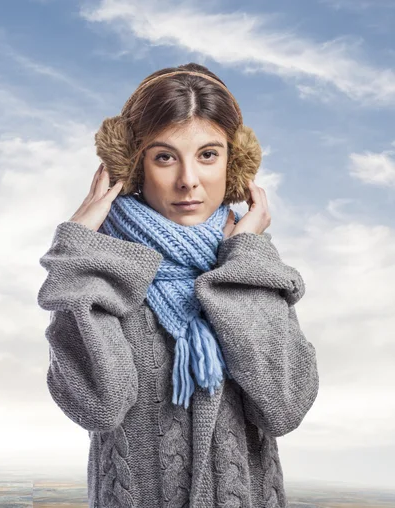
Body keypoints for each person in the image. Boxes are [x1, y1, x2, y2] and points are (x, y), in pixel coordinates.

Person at [37, 62, 319, 508]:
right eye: (165, 157)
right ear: (131, 166)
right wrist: (80, 257)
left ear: (235, 163)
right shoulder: (100, 272)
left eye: (208, 155)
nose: (188, 180)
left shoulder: (250, 268)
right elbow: (97, 405)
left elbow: (284, 406)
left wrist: (245, 257)